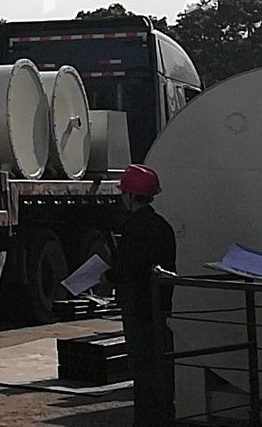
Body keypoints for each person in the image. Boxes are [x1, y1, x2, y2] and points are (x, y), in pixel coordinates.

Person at [108, 164, 176, 427]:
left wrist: (108, 276)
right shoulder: (163, 227)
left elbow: (128, 271)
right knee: (161, 374)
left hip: (138, 311)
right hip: (160, 310)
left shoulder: (133, 229)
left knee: (143, 375)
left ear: (130, 195)